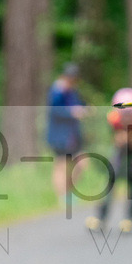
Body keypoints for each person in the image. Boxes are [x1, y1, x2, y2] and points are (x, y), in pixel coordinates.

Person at [85, 88, 132, 233]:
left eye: (129, 113)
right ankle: (101, 218)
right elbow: (115, 139)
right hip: (119, 152)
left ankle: (131, 219)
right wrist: (121, 139)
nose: (126, 117)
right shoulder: (114, 119)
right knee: (110, 183)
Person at [46, 63, 87, 201]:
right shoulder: (57, 91)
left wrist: (84, 109)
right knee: (61, 165)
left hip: (72, 135)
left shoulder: (72, 91)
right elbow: (54, 111)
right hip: (59, 136)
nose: (72, 81)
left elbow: (79, 104)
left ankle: (69, 191)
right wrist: (72, 113)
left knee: (82, 162)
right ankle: (62, 197)